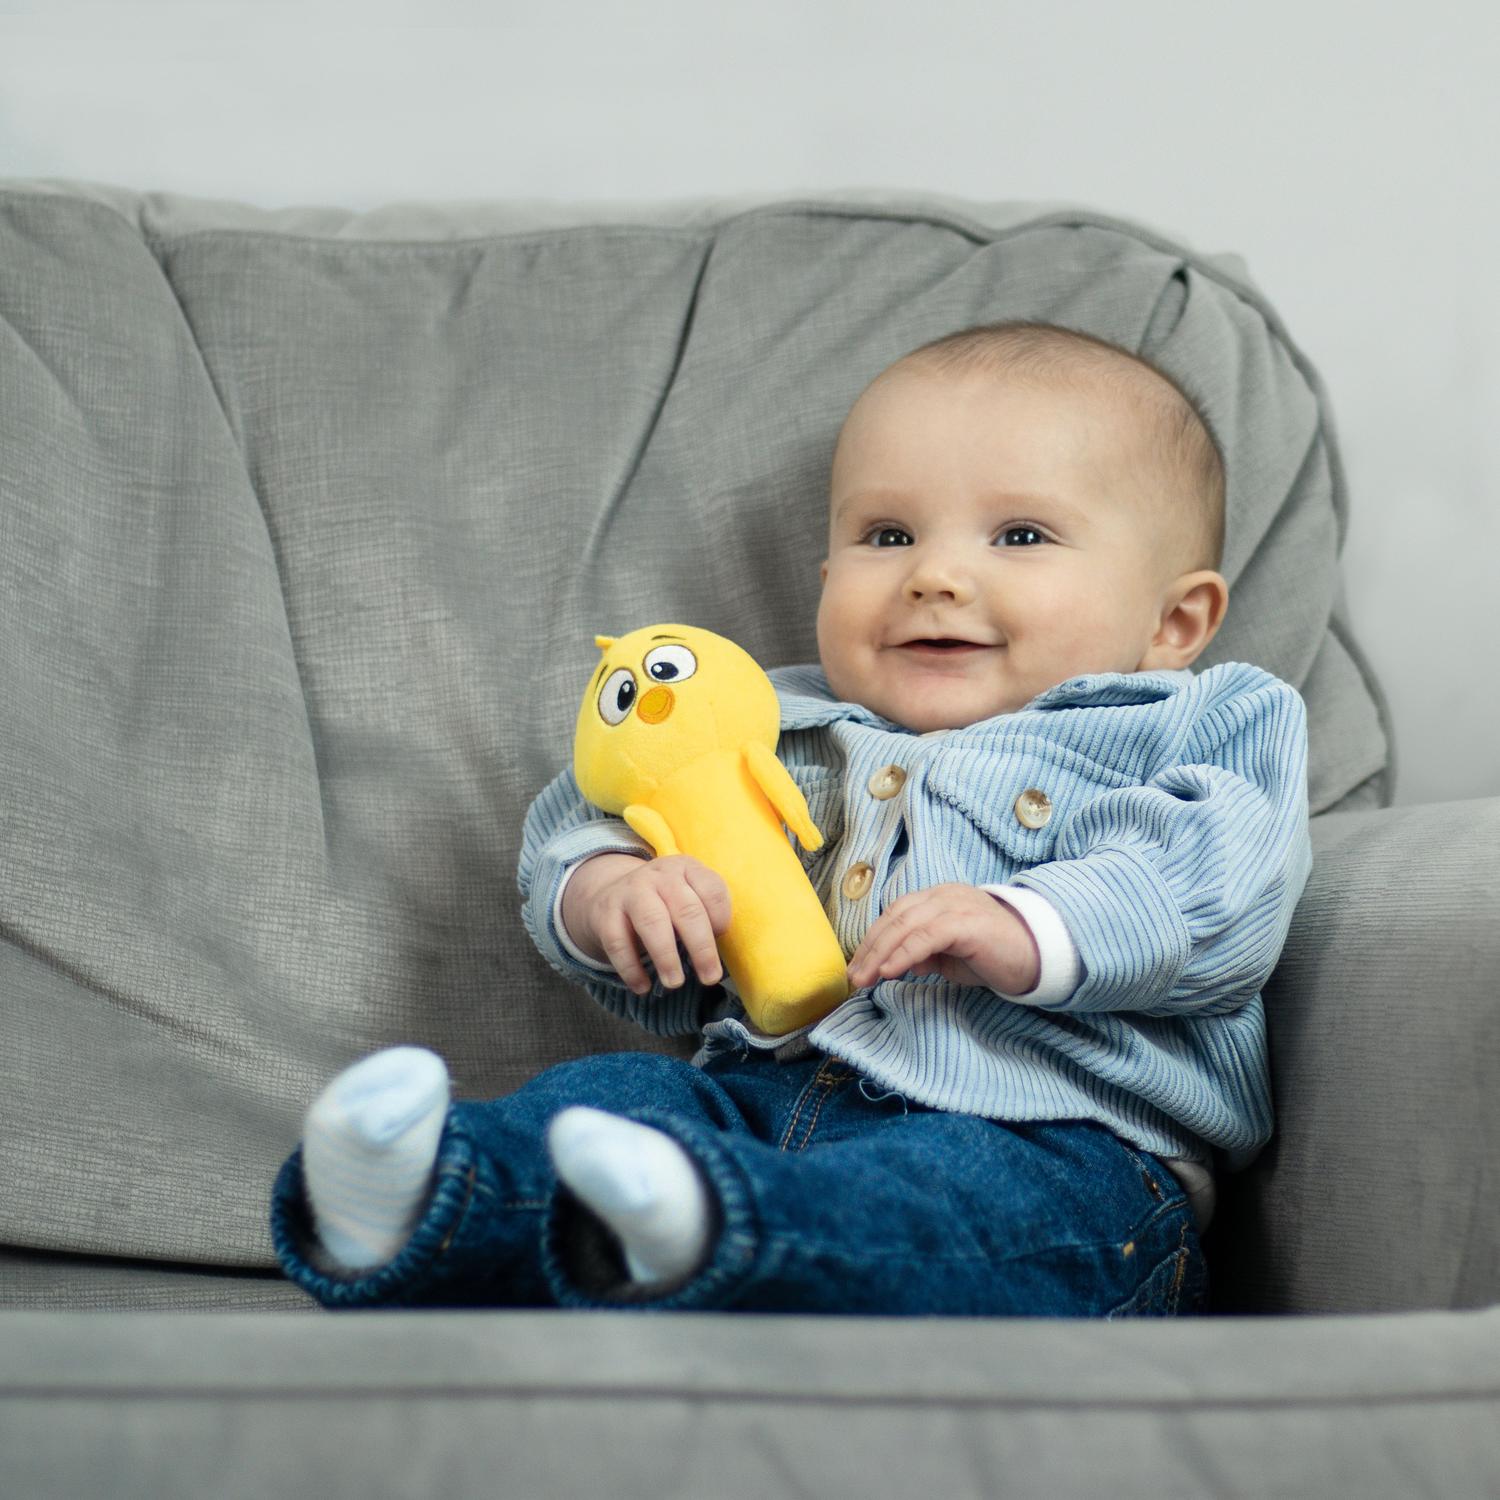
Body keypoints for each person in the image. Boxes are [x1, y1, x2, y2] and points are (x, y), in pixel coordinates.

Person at [270, 320, 1312, 1315]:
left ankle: (712, 1233)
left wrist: (1031, 926)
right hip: (757, 1106)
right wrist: (613, 893)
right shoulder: (773, 721)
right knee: (614, 1099)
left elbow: (1227, 879)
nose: (934, 576)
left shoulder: (1196, 720)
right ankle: (414, 1199)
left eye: (1021, 534)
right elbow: (585, 817)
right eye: (886, 534)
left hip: (1060, 1144)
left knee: (955, 1207)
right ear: (827, 576)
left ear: (1177, 621)